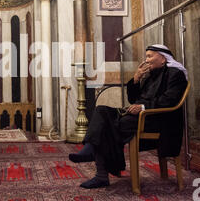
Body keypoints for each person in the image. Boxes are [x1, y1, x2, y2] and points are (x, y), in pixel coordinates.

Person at [69, 44, 188, 189]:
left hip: (158, 120)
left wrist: (143, 107)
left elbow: (170, 100)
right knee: (101, 111)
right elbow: (134, 99)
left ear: (163, 59)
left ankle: (98, 168)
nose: (146, 60)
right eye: (146, 56)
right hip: (139, 116)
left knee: (107, 127)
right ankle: (92, 150)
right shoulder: (151, 75)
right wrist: (136, 79)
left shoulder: (176, 74)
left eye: (150, 56)